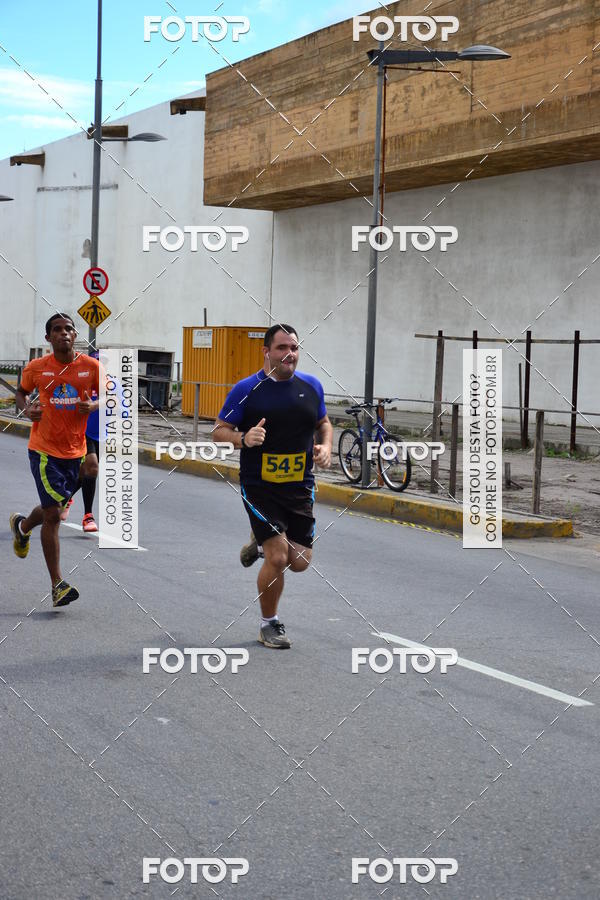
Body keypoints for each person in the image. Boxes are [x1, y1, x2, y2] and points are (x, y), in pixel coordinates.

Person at [213, 324, 333, 649]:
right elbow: (219, 430)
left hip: (299, 487)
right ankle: (270, 624)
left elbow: (324, 423)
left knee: (300, 562)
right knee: (278, 558)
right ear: (266, 351)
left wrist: (325, 447)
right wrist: (243, 438)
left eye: (293, 347)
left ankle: (259, 541)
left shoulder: (311, 386)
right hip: (259, 487)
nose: (289, 353)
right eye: (281, 347)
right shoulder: (246, 389)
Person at [10, 314, 100, 607]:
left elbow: (112, 395)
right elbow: (21, 394)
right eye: (57, 330)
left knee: (54, 507)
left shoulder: (90, 367)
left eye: (69, 329)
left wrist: (94, 404)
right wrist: (27, 410)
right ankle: (57, 584)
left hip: (75, 451)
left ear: (76, 335)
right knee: (53, 515)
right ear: (48, 338)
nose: (64, 333)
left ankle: (22, 527)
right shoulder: (37, 368)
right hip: (44, 451)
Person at [61, 349, 100, 532]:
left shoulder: (109, 384)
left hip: (101, 433)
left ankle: (67, 498)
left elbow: (118, 403)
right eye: (97, 362)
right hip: (82, 432)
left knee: (85, 473)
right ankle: (88, 516)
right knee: (92, 466)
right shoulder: (78, 382)